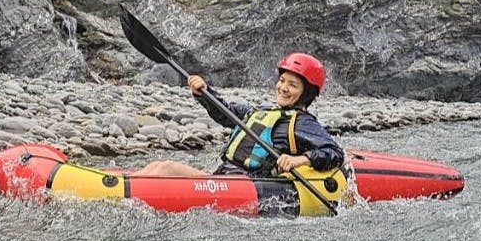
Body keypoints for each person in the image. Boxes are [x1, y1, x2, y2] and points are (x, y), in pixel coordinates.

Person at [132, 53, 344, 177]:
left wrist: (299, 160)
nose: (283, 88)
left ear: (306, 93)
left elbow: (334, 152)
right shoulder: (259, 112)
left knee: (166, 168)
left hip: (249, 184)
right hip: (225, 176)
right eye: (282, 81)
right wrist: (204, 92)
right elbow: (225, 112)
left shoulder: (302, 123)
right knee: (156, 166)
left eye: (293, 85)